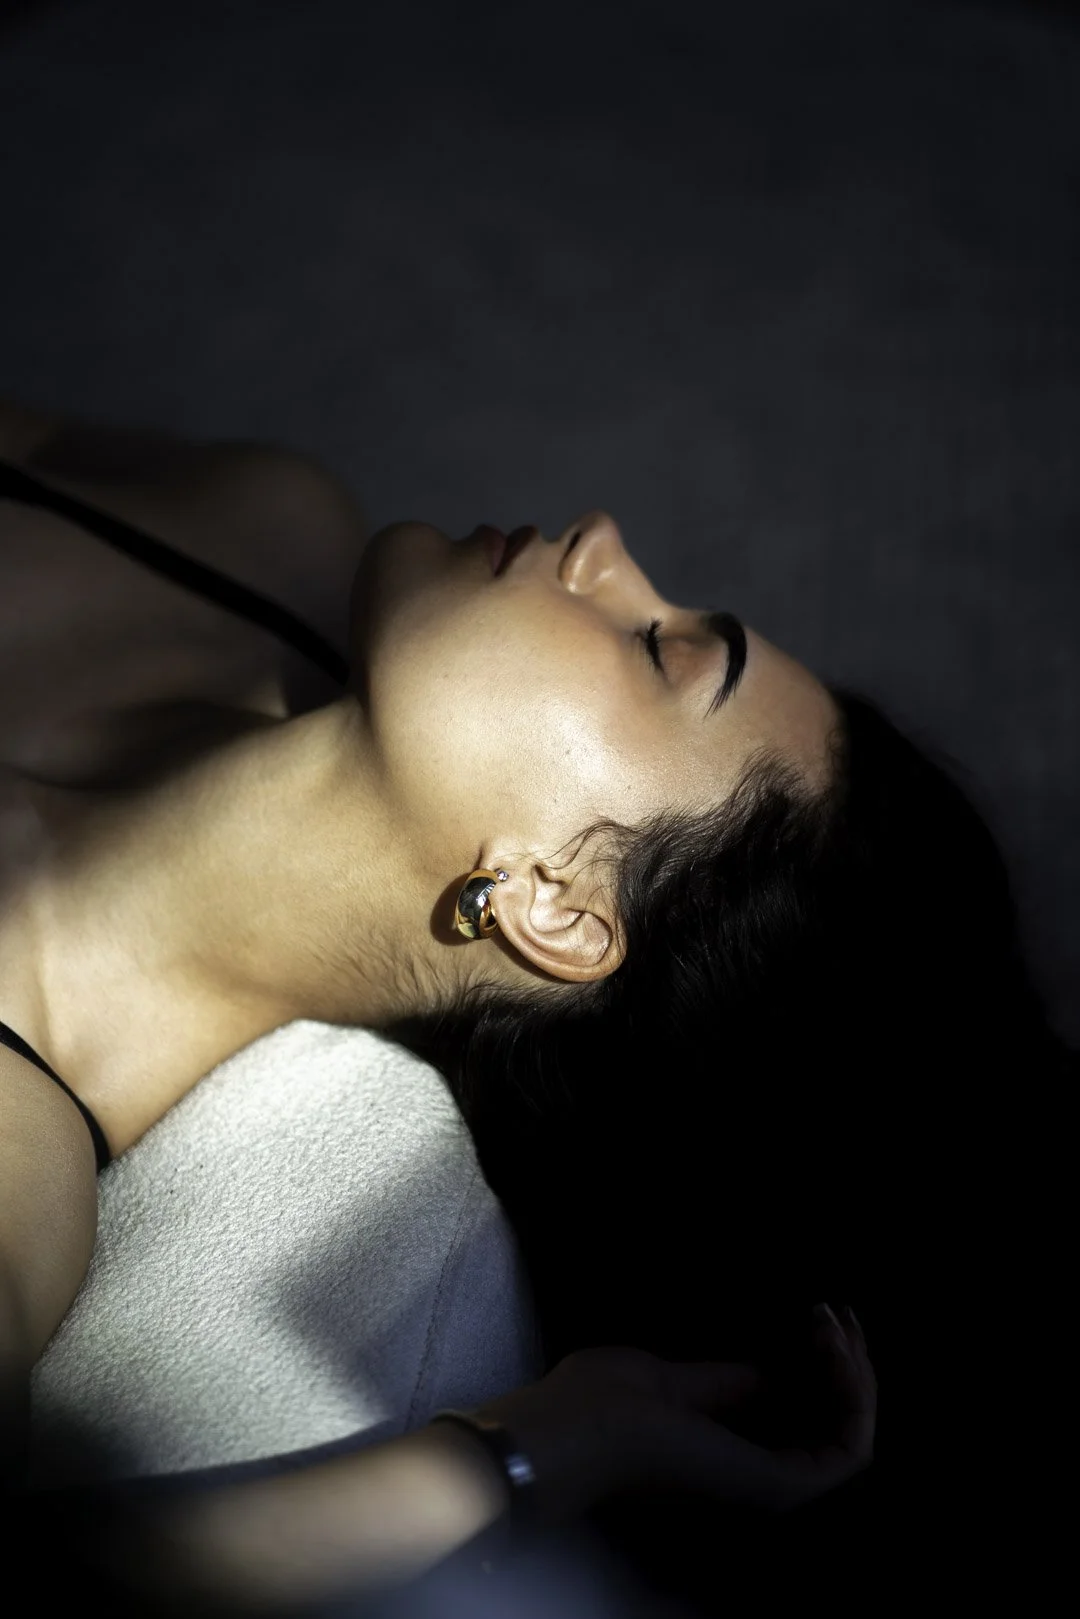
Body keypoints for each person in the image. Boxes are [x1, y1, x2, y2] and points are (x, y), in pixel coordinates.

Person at [0, 396, 1069, 1611]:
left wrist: (538, 1447)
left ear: (554, 905)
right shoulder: (259, 531)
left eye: (658, 648)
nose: (603, 540)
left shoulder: (12, 1157)